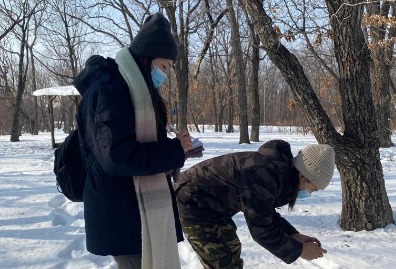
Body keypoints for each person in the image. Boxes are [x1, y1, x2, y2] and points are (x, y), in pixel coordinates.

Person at [73, 12, 191, 269]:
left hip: (133, 210)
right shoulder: (109, 91)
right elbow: (117, 156)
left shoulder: (132, 90)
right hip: (121, 213)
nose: (165, 74)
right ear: (147, 58)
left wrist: (173, 152)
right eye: (164, 66)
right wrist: (173, 151)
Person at [175, 139, 336, 268]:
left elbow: (265, 213)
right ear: (304, 177)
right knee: (220, 261)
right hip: (192, 201)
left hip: (214, 207)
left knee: (232, 250)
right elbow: (261, 230)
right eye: (313, 189)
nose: (310, 193)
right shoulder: (263, 174)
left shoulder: (278, 174)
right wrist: (299, 251)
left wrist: (294, 235)